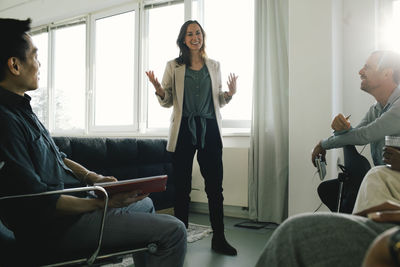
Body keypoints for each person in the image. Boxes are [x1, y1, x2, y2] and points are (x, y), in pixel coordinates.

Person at [0, 18, 186, 267]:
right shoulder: (4, 120)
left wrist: (92, 177)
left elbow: (59, 156)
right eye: (34, 56)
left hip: (75, 207)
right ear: (14, 65)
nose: (39, 63)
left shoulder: (23, 109)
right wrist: (99, 202)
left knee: (146, 202)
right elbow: (38, 201)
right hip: (56, 228)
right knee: (174, 231)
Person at [146, 20, 238, 256]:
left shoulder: (214, 65)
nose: (195, 37)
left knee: (215, 188)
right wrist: (158, 89)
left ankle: (219, 238)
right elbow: (167, 102)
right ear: (183, 39)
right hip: (184, 130)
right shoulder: (173, 66)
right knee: (182, 188)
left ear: (202, 37)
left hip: (210, 129)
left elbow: (219, 99)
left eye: (198, 33)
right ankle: (180, 238)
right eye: (190, 34)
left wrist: (229, 94)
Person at [311, 50, 400, 212]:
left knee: (373, 176)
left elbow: (363, 136)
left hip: (388, 177)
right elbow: (354, 135)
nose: (360, 72)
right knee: (330, 190)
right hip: (386, 176)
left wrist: (322, 144)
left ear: (387, 73)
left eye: (367, 67)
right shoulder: (376, 108)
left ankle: (356, 229)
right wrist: (342, 131)